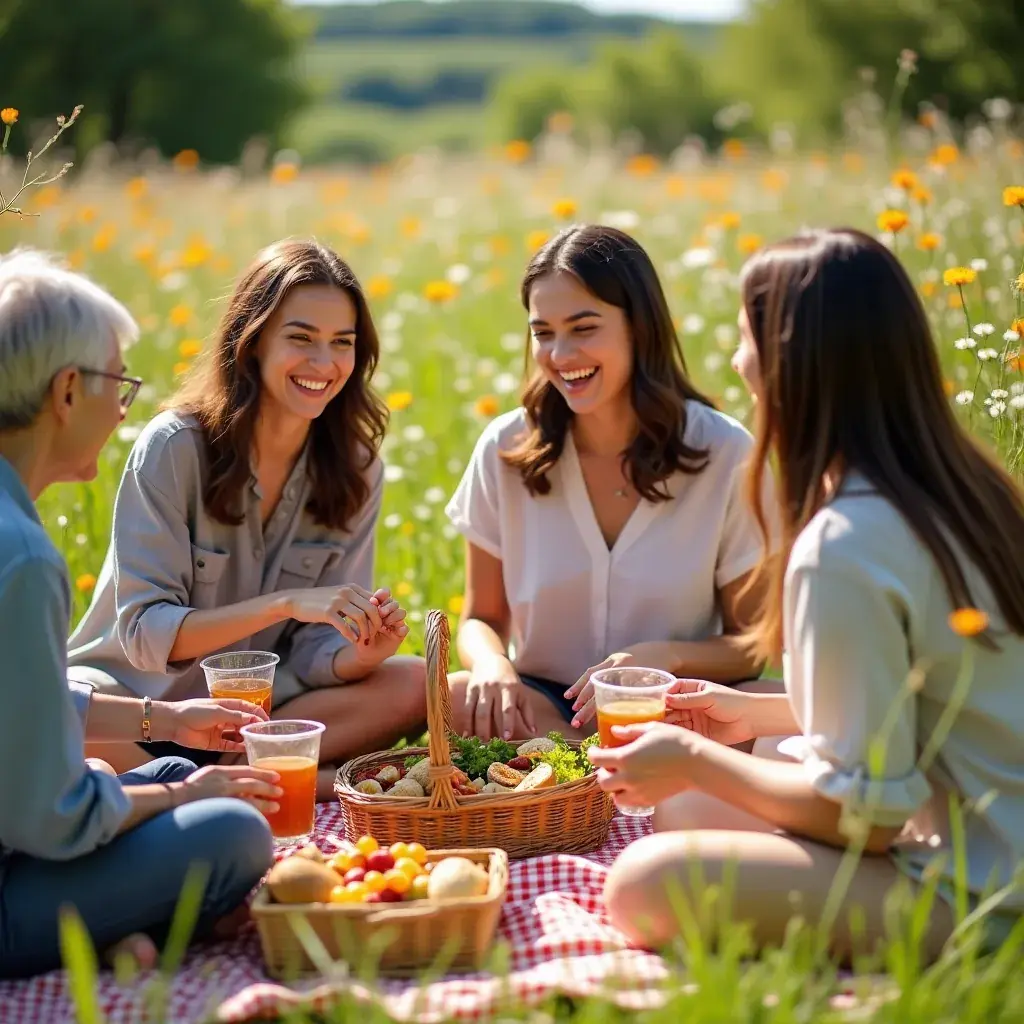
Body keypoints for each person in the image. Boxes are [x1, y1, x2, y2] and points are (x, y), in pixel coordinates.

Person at [594, 228, 1024, 959]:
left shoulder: (845, 544)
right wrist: (750, 711)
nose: (736, 360)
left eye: (744, 336)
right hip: (985, 831)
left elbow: (867, 817)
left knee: (645, 883)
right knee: (692, 808)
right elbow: (924, 697)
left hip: (981, 894)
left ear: (788, 362)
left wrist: (695, 759)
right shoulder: (963, 490)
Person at [0, 248, 279, 980]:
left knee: (170, 768)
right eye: (117, 384)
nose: (123, 409)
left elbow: (19, 704)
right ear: (66, 392)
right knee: (231, 828)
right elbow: (50, 818)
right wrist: (181, 794)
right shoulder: (22, 555)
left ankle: (129, 924)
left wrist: (167, 726)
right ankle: (116, 932)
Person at [68, 239, 427, 799]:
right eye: (301, 339)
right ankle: (304, 779)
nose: (324, 364)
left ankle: (225, 776)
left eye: (342, 344)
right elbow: (142, 635)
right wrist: (283, 604)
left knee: (411, 680)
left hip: (254, 717)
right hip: (138, 710)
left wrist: (360, 654)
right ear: (252, 342)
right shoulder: (174, 446)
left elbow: (312, 655)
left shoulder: (356, 468)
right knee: (55, 714)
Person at [445, 225, 773, 742]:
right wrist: (491, 664)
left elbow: (751, 646)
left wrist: (662, 660)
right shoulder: (505, 447)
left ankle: (595, 782)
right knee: (458, 693)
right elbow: (479, 618)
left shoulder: (724, 453)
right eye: (543, 332)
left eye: (584, 327)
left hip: (675, 710)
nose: (560, 353)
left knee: (776, 708)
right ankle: (589, 779)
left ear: (639, 327)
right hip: (547, 709)